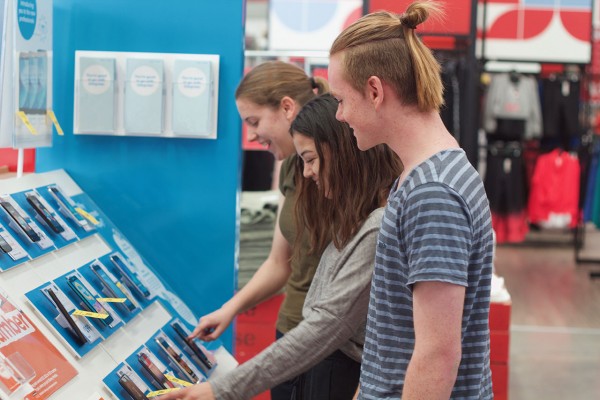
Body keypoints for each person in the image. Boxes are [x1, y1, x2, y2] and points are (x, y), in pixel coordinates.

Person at [159, 94, 402, 400]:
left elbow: (328, 328)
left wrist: (221, 390)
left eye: (311, 159)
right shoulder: (355, 216)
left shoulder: (377, 227)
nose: (307, 172)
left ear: (340, 150)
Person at [327, 1, 494, 399]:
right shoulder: (426, 174)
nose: (339, 115)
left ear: (374, 91)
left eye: (341, 99)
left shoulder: (432, 194)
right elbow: (397, 333)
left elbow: (438, 354)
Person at [189, 61, 328, 399]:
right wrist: (229, 309)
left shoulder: (340, 171)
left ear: (286, 107)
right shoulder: (293, 167)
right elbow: (280, 262)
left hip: (327, 348)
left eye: (254, 122)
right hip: (290, 338)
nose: (251, 135)